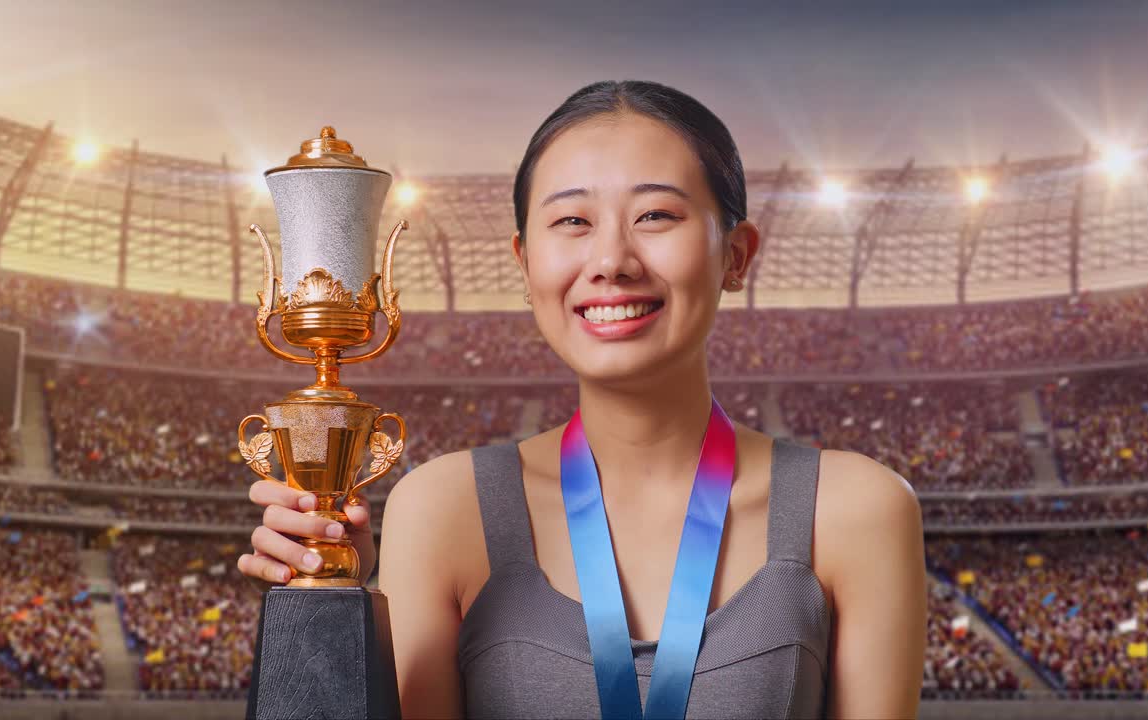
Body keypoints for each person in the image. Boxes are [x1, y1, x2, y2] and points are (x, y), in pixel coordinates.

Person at [239, 79, 926, 719]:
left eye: (656, 214)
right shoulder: (442, 511)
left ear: (737, 255)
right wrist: (329, 611)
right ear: (525, 260)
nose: (611, 260)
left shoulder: (853, 512)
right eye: (572, 221)